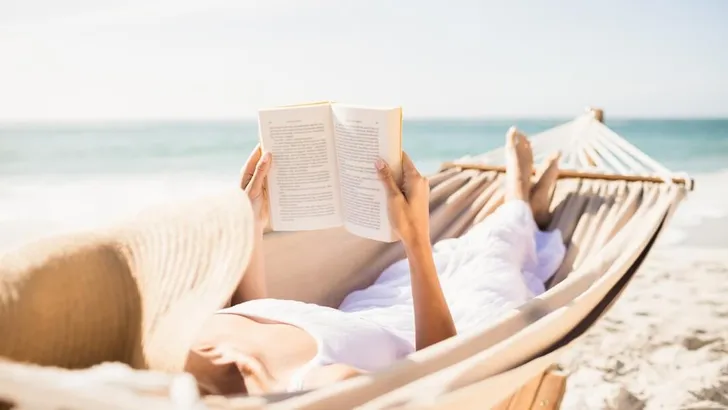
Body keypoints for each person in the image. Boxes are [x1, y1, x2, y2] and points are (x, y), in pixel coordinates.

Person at [183, 127, 566, 395]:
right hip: (450, 323)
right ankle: (520, 200)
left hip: (375, 303)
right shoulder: (316, 388)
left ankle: (523, 210)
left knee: (466, 248)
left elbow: (258, 310)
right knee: (492, 260)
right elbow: (439, 378)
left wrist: (251, 226)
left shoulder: (186, 337)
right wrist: (414, 238)